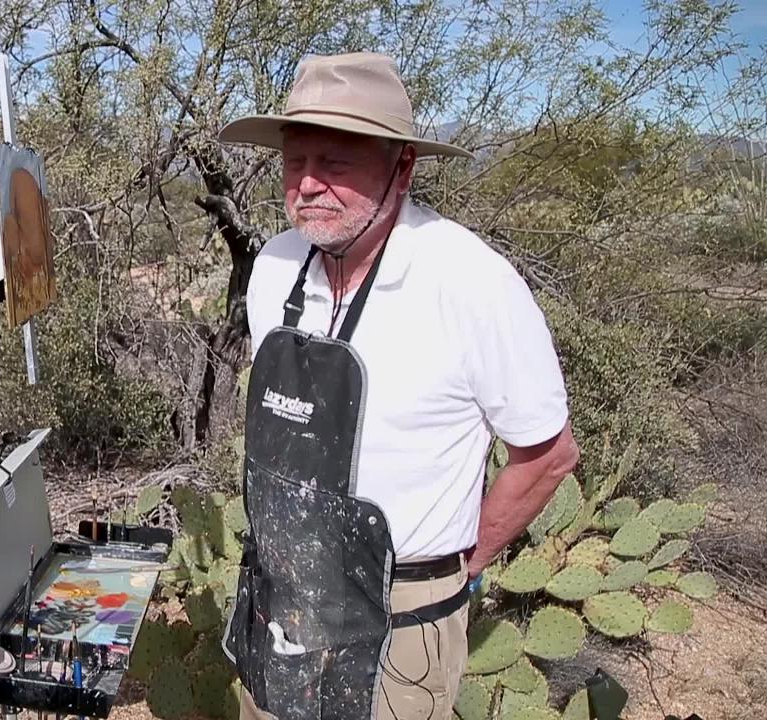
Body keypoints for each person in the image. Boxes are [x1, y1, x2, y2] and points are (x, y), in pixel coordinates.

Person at [215, 52, 580, 720]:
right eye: (296, 162)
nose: (308, 185)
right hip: (278, 599)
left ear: (402, 167)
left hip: (398, 624)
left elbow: (549, 455)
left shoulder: (470, 282)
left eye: (337, 162)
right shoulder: (276, 263)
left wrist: (459, 567)